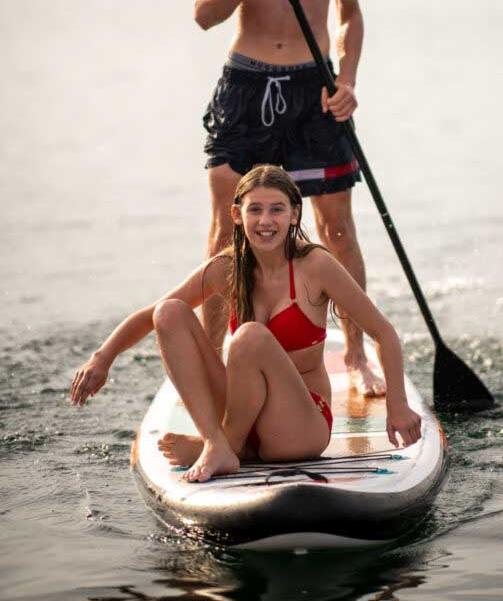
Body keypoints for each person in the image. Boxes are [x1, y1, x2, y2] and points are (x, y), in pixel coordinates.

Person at [70, 165, 421, 482]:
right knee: (170, 312)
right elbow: (153, 315)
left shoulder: (316, 265)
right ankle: (217, 442)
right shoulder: (228, 268)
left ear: (294, 214)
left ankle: (229, 447)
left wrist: (398, 407)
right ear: (237, 215)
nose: (265, 221)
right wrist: (103, 357)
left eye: (276, 209)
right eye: (255, 209)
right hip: (241, 412)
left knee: (250, 336)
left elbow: (384, 334)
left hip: (299, 426)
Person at [196, 0, 385, 397]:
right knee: (228, 227)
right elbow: (204, 12)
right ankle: (212, 361)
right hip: (246, 87)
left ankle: (353, 355)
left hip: (313, 89)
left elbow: (350, 16)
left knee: (337, 229)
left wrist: (347, 79)